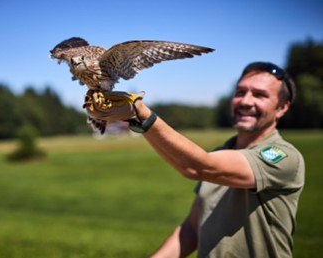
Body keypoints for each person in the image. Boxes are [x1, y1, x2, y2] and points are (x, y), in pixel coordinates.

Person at [84, 61, 305, 258]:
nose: (245, 101)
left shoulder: (283, 157)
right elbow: (191, 229)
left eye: (259, 95)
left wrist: (139, 113)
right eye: (240, 92)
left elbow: (199, 167)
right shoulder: (222, 152)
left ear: (282, 107)